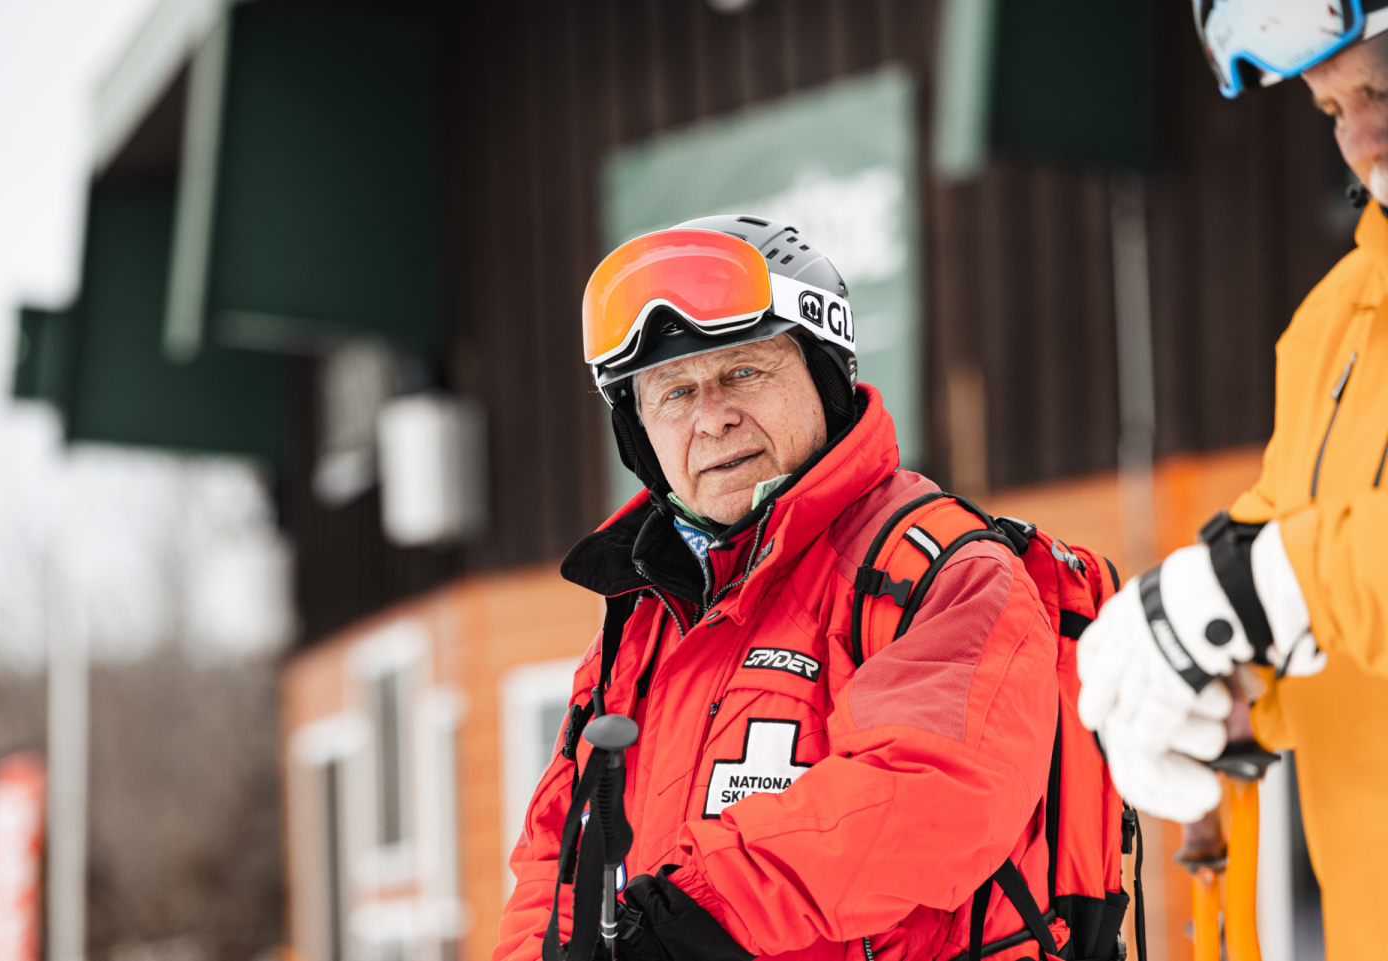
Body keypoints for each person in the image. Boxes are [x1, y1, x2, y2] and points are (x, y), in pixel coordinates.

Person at [492, 217, 1063, 961]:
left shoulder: (941, 571)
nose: (712, 419)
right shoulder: (639, 626)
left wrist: (683, 918)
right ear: (640, 433)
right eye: (674, 393)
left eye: (743, 372)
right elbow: (555, 859)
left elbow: (929, 793)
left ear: (824, 378)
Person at [1077, 3, 1388, 955]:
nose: (1360, 141)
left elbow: (1294, 574)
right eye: (1332, 108)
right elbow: (1283, 576)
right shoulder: (1335, 326)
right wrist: (1213, 681)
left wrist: (1266, 587)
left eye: (1382, 90)